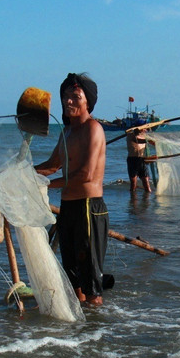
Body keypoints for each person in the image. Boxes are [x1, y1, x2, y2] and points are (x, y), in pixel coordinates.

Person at [35, 73, 109, 306]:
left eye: (75, 97)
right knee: (72, 273)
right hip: (68, 208)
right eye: (66, 96)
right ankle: (80, 325)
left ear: (88, 102)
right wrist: (24, 173)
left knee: (90, 281)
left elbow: (85, 175)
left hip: (88, 208)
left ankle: (95, 322)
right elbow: (52, 166)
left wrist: (44, 184)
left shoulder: (93, 129)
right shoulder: (66, 132)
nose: (68, 101)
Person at [126, 127, 155, 193]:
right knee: (133, 183)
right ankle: (133, 198)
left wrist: (156, 143)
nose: (145, 130)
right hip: (132, 160)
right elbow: (138, 141)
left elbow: (151, 142)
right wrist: (149, 141)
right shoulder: (130, 134)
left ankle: (147, 198)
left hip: (142, 160)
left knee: (146, 183)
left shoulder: (144, 136)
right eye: (143, 129)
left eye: (145, 129)